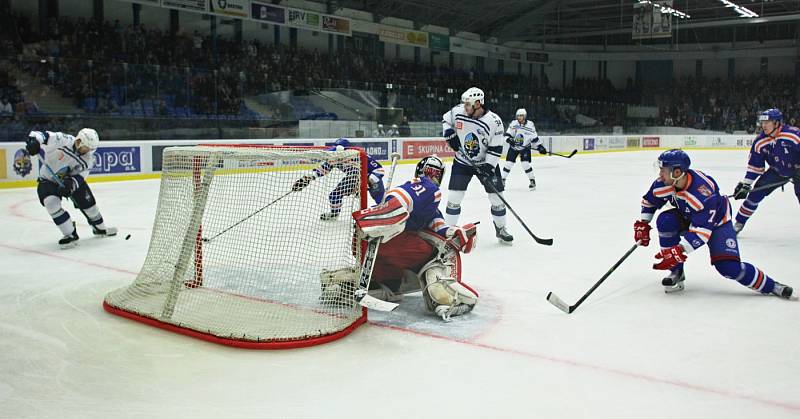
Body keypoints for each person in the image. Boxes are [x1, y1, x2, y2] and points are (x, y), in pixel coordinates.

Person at [321, 156, 479, 320]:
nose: (432, 177)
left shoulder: (430, 208)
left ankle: (341, 286)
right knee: (431, 254)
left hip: (370, 240)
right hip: (383, 239)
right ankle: (442, 298)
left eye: (435, 174)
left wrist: (458, 233)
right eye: (431, 172)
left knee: (392, 287)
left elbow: (441, 227)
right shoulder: (428, 188)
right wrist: (383, 218)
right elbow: (403, 196)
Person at [633, 149, 792, 298]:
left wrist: (679, 250)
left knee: (728, 267)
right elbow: (649, 201)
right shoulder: (663, 184)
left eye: (663, 170)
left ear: (677, 172)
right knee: (665, 221)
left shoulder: (703, 194)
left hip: (717, 223)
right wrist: (643, 224)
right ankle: (676, 272)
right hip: (687, 215)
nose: (660, 174)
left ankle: (773, 286)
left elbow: (702, 233)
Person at [442, 87, 513, 244]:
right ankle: (447, 231)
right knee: (454, 198)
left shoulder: (494, 121)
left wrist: (488, 168)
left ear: (478, 103)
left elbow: (496, 148)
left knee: (497, 199)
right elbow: (446, 120)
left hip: (486, 164)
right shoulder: (458, 111)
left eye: (468, 104)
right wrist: (449, 134)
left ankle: (501, 229)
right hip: (462, 162)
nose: (464, 107)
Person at [24, 128, 117, 248]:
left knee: (90, 206)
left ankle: (100, 228)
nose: (88, 151)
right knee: (51, 203)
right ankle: (70, 234)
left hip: (69, 180)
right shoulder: (63, 140)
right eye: (86, 147)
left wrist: (70, 184)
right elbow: (42, 135)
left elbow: (80, 177)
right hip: (48, 180)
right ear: (78, 141)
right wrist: (34, 141)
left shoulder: (88, 159)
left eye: (90, 149)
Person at [732, 108, 800, 233]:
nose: (763, 125)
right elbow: (755, 167)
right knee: (754, 195)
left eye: (767, 122)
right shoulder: (760, 141)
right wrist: (746, 184)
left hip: (797, 171)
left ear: (777, 123)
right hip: (776, 172)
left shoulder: (794, 135)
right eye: (762, 122)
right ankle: (739, 223)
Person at [292, 138, 385, 220]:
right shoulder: (334, 157)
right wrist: (306, 179)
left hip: (370, 179)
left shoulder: (359, 155)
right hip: (353, 178)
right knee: (334, 195)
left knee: (378, 195)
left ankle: (384, 208)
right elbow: (322, 170)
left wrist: (370, 180)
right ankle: (334, 214)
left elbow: (379, 169)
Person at [501, 108, 547, 190]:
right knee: (508, 164)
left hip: (525, 148)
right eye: (518, 116)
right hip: (513, 148)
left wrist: (540, 147)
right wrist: (509, 140)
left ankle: (532, 180)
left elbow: (534, 138)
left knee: (525, 165)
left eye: (521, 116)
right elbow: (507, 135)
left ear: (525, 116)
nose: (519, 117)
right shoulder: (513, 124)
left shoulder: (530, 125)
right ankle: (502, 180)